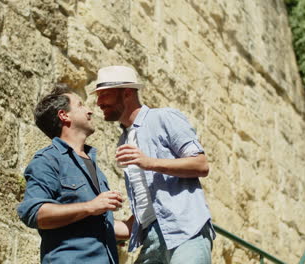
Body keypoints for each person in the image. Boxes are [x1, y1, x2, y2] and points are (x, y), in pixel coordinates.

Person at [94, 66, 215, 264]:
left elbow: (201, 164)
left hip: (186, 231)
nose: (99, 103)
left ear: (127, 93)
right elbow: (148, 205)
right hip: (151, 240)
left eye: (104, 95)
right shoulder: (123, 141)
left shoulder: (163, 117)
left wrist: (150, 162)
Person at [17, 83, 130, 264]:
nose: (90, 111)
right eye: (80, 105)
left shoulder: (94, 168)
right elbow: (35, 213)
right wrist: (91, 206)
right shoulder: (47, 160)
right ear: (64, 115)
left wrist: (143, 218)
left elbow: (102, 225)